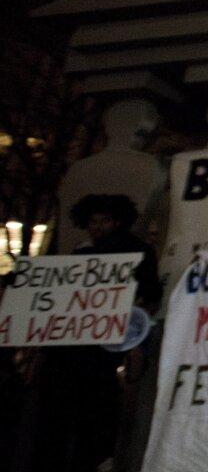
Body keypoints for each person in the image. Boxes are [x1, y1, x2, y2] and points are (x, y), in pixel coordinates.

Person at [21, 194, 162, 472]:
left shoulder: (132, 253)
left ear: (118, 221)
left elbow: (149, 295)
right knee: (83, 423)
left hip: (92, 353)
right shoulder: (84, 253)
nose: (97, 227)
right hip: (81, 352)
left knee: (70, 423)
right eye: (93, 222)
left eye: (104, 221)